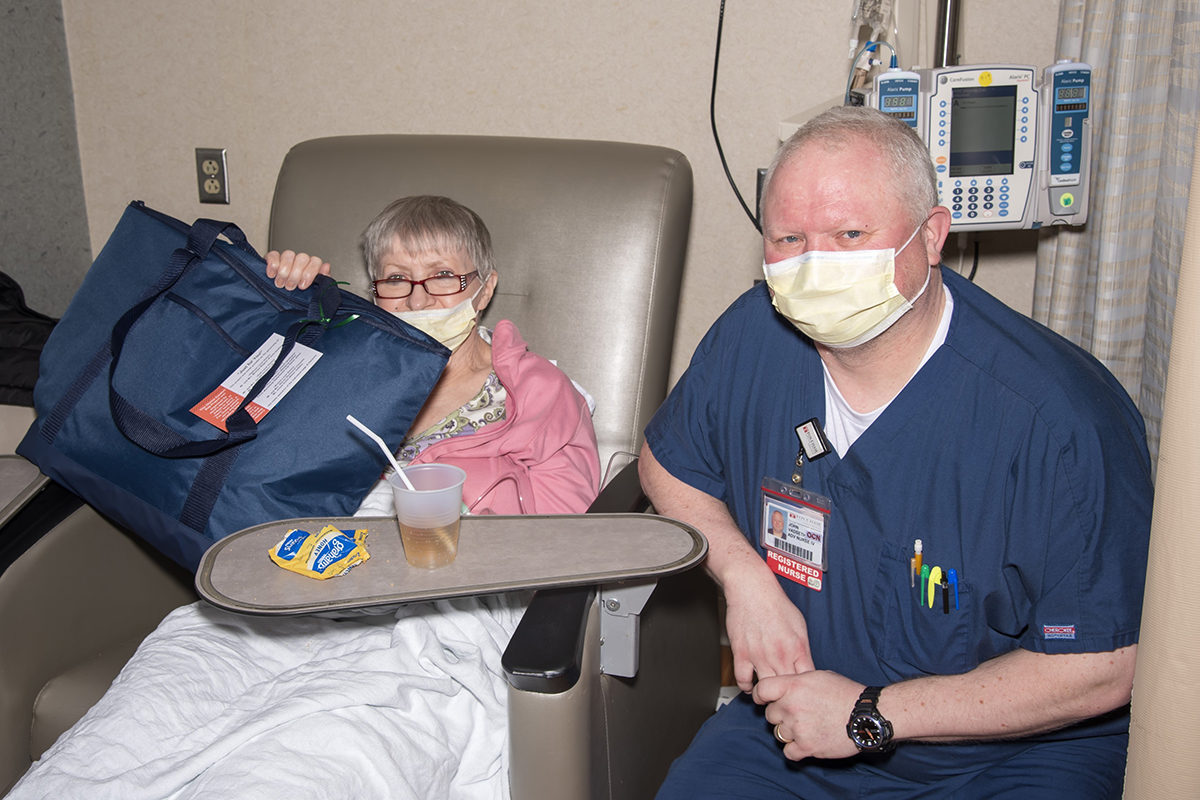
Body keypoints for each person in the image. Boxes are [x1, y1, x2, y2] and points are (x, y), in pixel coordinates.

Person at [9, 196, 600, 800]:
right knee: (154, 707)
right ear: (374, 291)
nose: (420, 298)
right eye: (396, 280)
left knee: (313, 762)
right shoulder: (338, 361)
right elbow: (234, 454)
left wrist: (449, 498)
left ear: (485, 286)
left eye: (444, 276)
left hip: (443, 593)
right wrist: (285, 301)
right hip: (300, 573)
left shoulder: (533, 392)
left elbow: (563, 530)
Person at [640, 107, 1152, 799]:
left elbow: (1102, 666)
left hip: (1012, 756)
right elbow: (668, 463)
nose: (817, 264)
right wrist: (743, 576)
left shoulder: (1059, 419)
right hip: (798, 729)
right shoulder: (750, 341)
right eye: (790, 238)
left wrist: (869, 715)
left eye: (851, 234)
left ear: (932, 235)